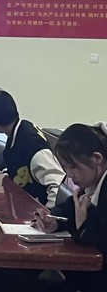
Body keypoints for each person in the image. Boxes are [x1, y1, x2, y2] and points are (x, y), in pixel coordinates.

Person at [34, 123, 107, 291]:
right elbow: (70, 207)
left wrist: (83, 225)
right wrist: (54, 218)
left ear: (96, 158)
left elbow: (100, 246)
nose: (69, 174)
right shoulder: (92, 183)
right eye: (65, 167)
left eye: (72, 166)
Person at [0, 88, 65, 208]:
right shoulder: (17, 132)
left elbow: (58, 185)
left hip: (37, 211)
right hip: (22, 203)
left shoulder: (33, 146)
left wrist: (48, 213)